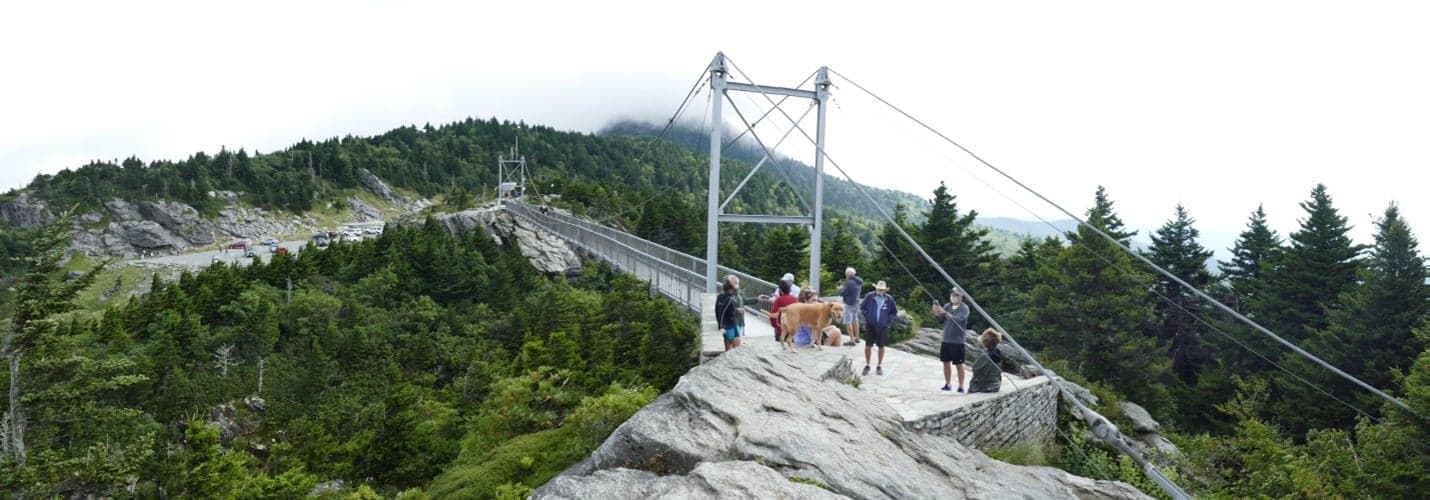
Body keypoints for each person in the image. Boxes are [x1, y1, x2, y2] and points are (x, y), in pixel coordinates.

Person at [932, 288, 971, 393]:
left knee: (959, 364)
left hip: (958, 341)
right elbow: (940, 319)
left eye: (956, 294)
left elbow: (958, 319)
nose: (954, 296)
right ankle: (947, 384)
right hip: (946, 339)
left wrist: (944, 312)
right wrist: (936, 310)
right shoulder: (947, 306)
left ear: (961, 296)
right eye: (953, 294)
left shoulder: (965, 308)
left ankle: (961, 386)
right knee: (945, 363)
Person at [859, 280, 898, 376]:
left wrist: (888, 321)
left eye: (882, 289)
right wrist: (868, 316)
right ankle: (867, 365)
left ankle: (879, 365)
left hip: (882, 327)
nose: (880, 291)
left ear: (885, 290)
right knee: (868, 345)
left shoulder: (889, 299)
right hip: (870, 325)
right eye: (878, 289)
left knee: (881, 346)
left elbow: (894, 312)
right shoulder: (869, 296)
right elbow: (862, 307)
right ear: (876, 289)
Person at [968, 328, 1003, 393]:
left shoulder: (985, 355)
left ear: (985, 341)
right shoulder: (998, 352)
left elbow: (975, 369)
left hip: (985, 387)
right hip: (996, 385)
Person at [715, 276, 743, 351]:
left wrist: (736, 310)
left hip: (729, 325)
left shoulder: (721, 296)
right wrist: (722, 327)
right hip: (729, 326)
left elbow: (718, 310)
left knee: (728, 350)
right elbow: (722, 312)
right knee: (737, 350)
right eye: (736, 284)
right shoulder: (729, 299)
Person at [839, 267, 863, 346]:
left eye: (846, 274)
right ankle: (857, 338)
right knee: (855, 320)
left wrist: (840, 289)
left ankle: (852, 340)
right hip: (856, 303)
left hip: (849, 304)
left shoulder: (849, 282)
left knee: (848, 321)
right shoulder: (858, 281)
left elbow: (843, 293)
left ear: (848, 274)